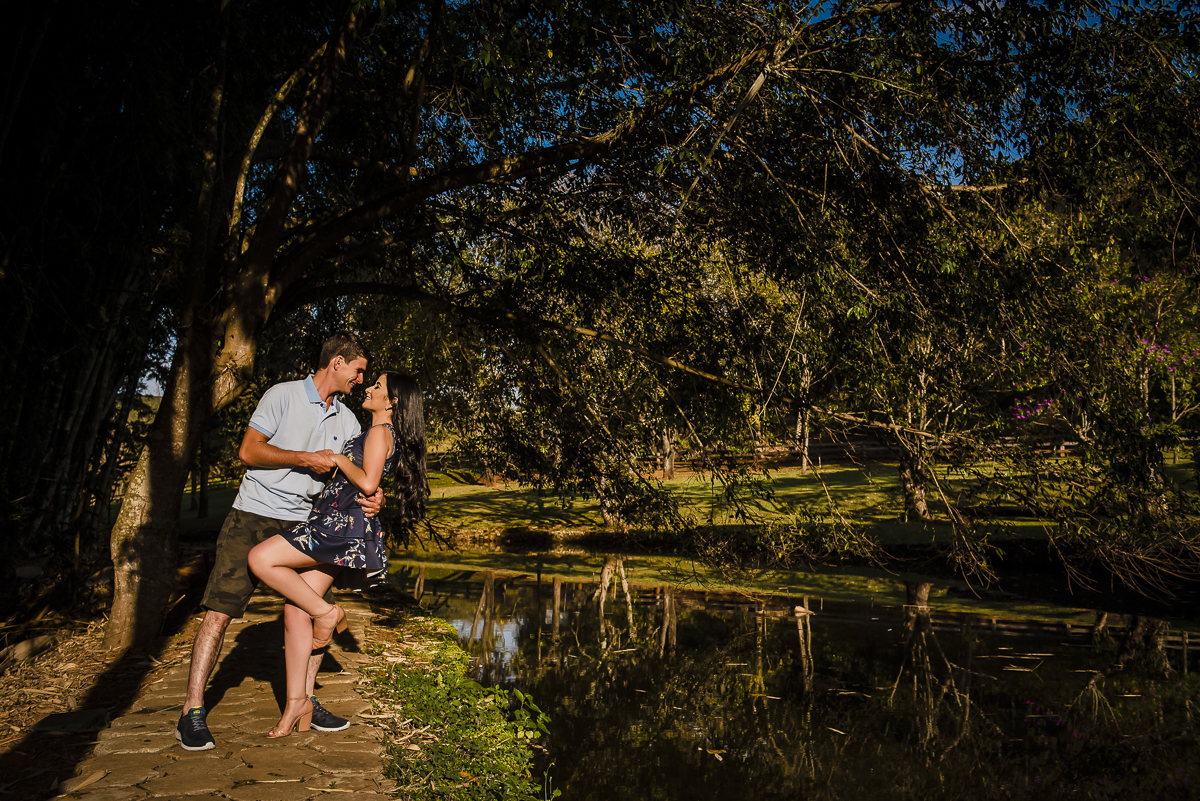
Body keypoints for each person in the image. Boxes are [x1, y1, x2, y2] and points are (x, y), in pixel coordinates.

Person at [174, 332, 381, 751]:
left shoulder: (348, 421)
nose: (361, 379)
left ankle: (305, 700)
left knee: (304, 612)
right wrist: (303, 457)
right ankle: (191, 712)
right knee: (219, 612)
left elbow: (361, 474)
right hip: (252, 513)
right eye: (358, 371)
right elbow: (249, 452)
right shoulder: (282, 395)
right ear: (337, 362)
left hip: (307, 522)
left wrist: (376, 499)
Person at [249, 371, 428, 737]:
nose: (370, 388)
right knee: (294, 609)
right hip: (337, 521)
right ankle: (297, 703)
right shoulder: (374, 432)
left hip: (335, 526)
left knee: (260, 559)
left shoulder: (380, 432)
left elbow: (367, 482)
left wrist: (335, 458)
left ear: (392, 402)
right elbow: (369, 483)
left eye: (377, 387)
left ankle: (328, 613)